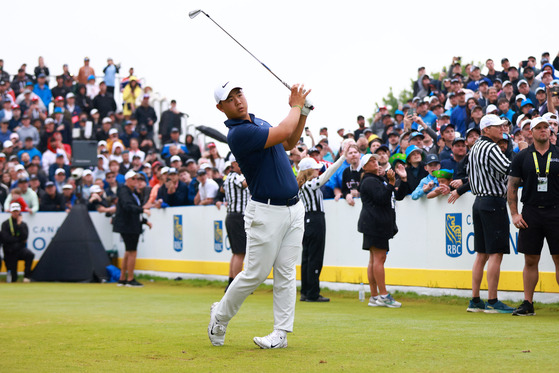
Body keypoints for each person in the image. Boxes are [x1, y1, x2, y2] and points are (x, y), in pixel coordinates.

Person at [207, 81, 311, 349]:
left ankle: (281, 333)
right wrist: (295, 106)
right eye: (230, 99)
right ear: (221, 108)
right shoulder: (239, 134)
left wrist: (303, 114)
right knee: (254, 274)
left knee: (286, 273)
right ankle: (219, 316)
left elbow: (289, 140)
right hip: (265, 211)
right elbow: (285, 129)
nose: (238, 101)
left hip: (293, 208)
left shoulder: (258, 121)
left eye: (239, 94)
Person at [508, 117, 559, 316]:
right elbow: (512, 187)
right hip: (531, 211)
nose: (543, 130)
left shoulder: (558, 153)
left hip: (556, 211)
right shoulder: (522, 157)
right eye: (539, 127)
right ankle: (528, 303)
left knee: (558, 258)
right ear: (531, 132)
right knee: (530, 260)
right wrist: (514, 214)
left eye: (546, 127)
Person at [466, 114, 515, 314]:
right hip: (493, 201)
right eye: (497, 127)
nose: (501, 129)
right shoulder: (491, 147)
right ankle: (493, 301)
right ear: (486, 129)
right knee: (495, 253)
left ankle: (475, 299)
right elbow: (508, 169)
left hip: (478, 202)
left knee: (481, 254)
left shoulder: (475, 148)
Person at [358, 153, 407, 308]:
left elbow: (397, 195)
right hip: (376, 224)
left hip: (374, 223)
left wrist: (401, 179)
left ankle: (374, 296)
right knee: (379, 259)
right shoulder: (370, 181)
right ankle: (383, 295)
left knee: (374, 259)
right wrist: (392, 182)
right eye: (371, 161)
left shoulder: (375, 180)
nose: (375, 162)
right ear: (364, 167)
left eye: (375, 160)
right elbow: (382, 198)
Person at [297, 149, 346, 302]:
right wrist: (342, 157)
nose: (318, 170)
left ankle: (306, 291)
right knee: (315, 257)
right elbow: (328, 173)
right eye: (316, 168)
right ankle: (312, 293)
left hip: (307, 220)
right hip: (315, 219)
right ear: (309, 171)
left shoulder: (302, 184)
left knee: (307, 257)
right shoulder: (310, 184)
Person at [112, 170, 152, 287]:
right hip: (128, 225)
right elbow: (128, 207)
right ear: (127, 180)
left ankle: (123, 278)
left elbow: (133, 208)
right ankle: (130, 279)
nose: (136, 181)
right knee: (132, 251)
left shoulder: (132, 192)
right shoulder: (124, 191)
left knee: (128, 251)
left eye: (137, 179)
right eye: (133, 179)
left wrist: (144, 221)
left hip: (130, 224)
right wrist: (142, 210)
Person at [221, 155, 250, 292]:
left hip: (232, 216)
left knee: (236, 252)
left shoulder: (228, 178)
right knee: (240, 252)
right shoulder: (236, 177)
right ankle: (236, 286)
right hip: (238, 216)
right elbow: (244, 184)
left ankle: (231, 283)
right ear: (235, 163)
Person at [1, 202, 33, 282]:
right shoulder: (5, 224)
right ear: (11, 212)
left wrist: (19, 225)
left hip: (20, 249)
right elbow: (6, 239)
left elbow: (25, 236)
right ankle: (14, 277)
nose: (15, 213)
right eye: (14, 211)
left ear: (19, 211)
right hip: (10, 251)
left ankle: (26, 276)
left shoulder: (23, 224)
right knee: (13, 278)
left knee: (30, 254)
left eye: (17, 211)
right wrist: (19, 239)